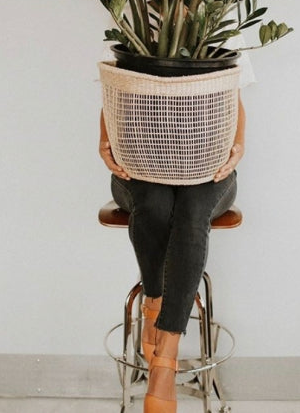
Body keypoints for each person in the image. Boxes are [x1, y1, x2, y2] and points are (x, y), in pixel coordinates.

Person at [99, 90, 246, 413]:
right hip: (141, 168)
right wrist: (103, 141)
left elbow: (232, 99)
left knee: (192, 213)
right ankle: (155, 301)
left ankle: (165, 353)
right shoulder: (128, 37)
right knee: (156, 204)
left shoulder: (220, 38)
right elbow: (113, 97)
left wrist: (237, 149)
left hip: (208, 172)